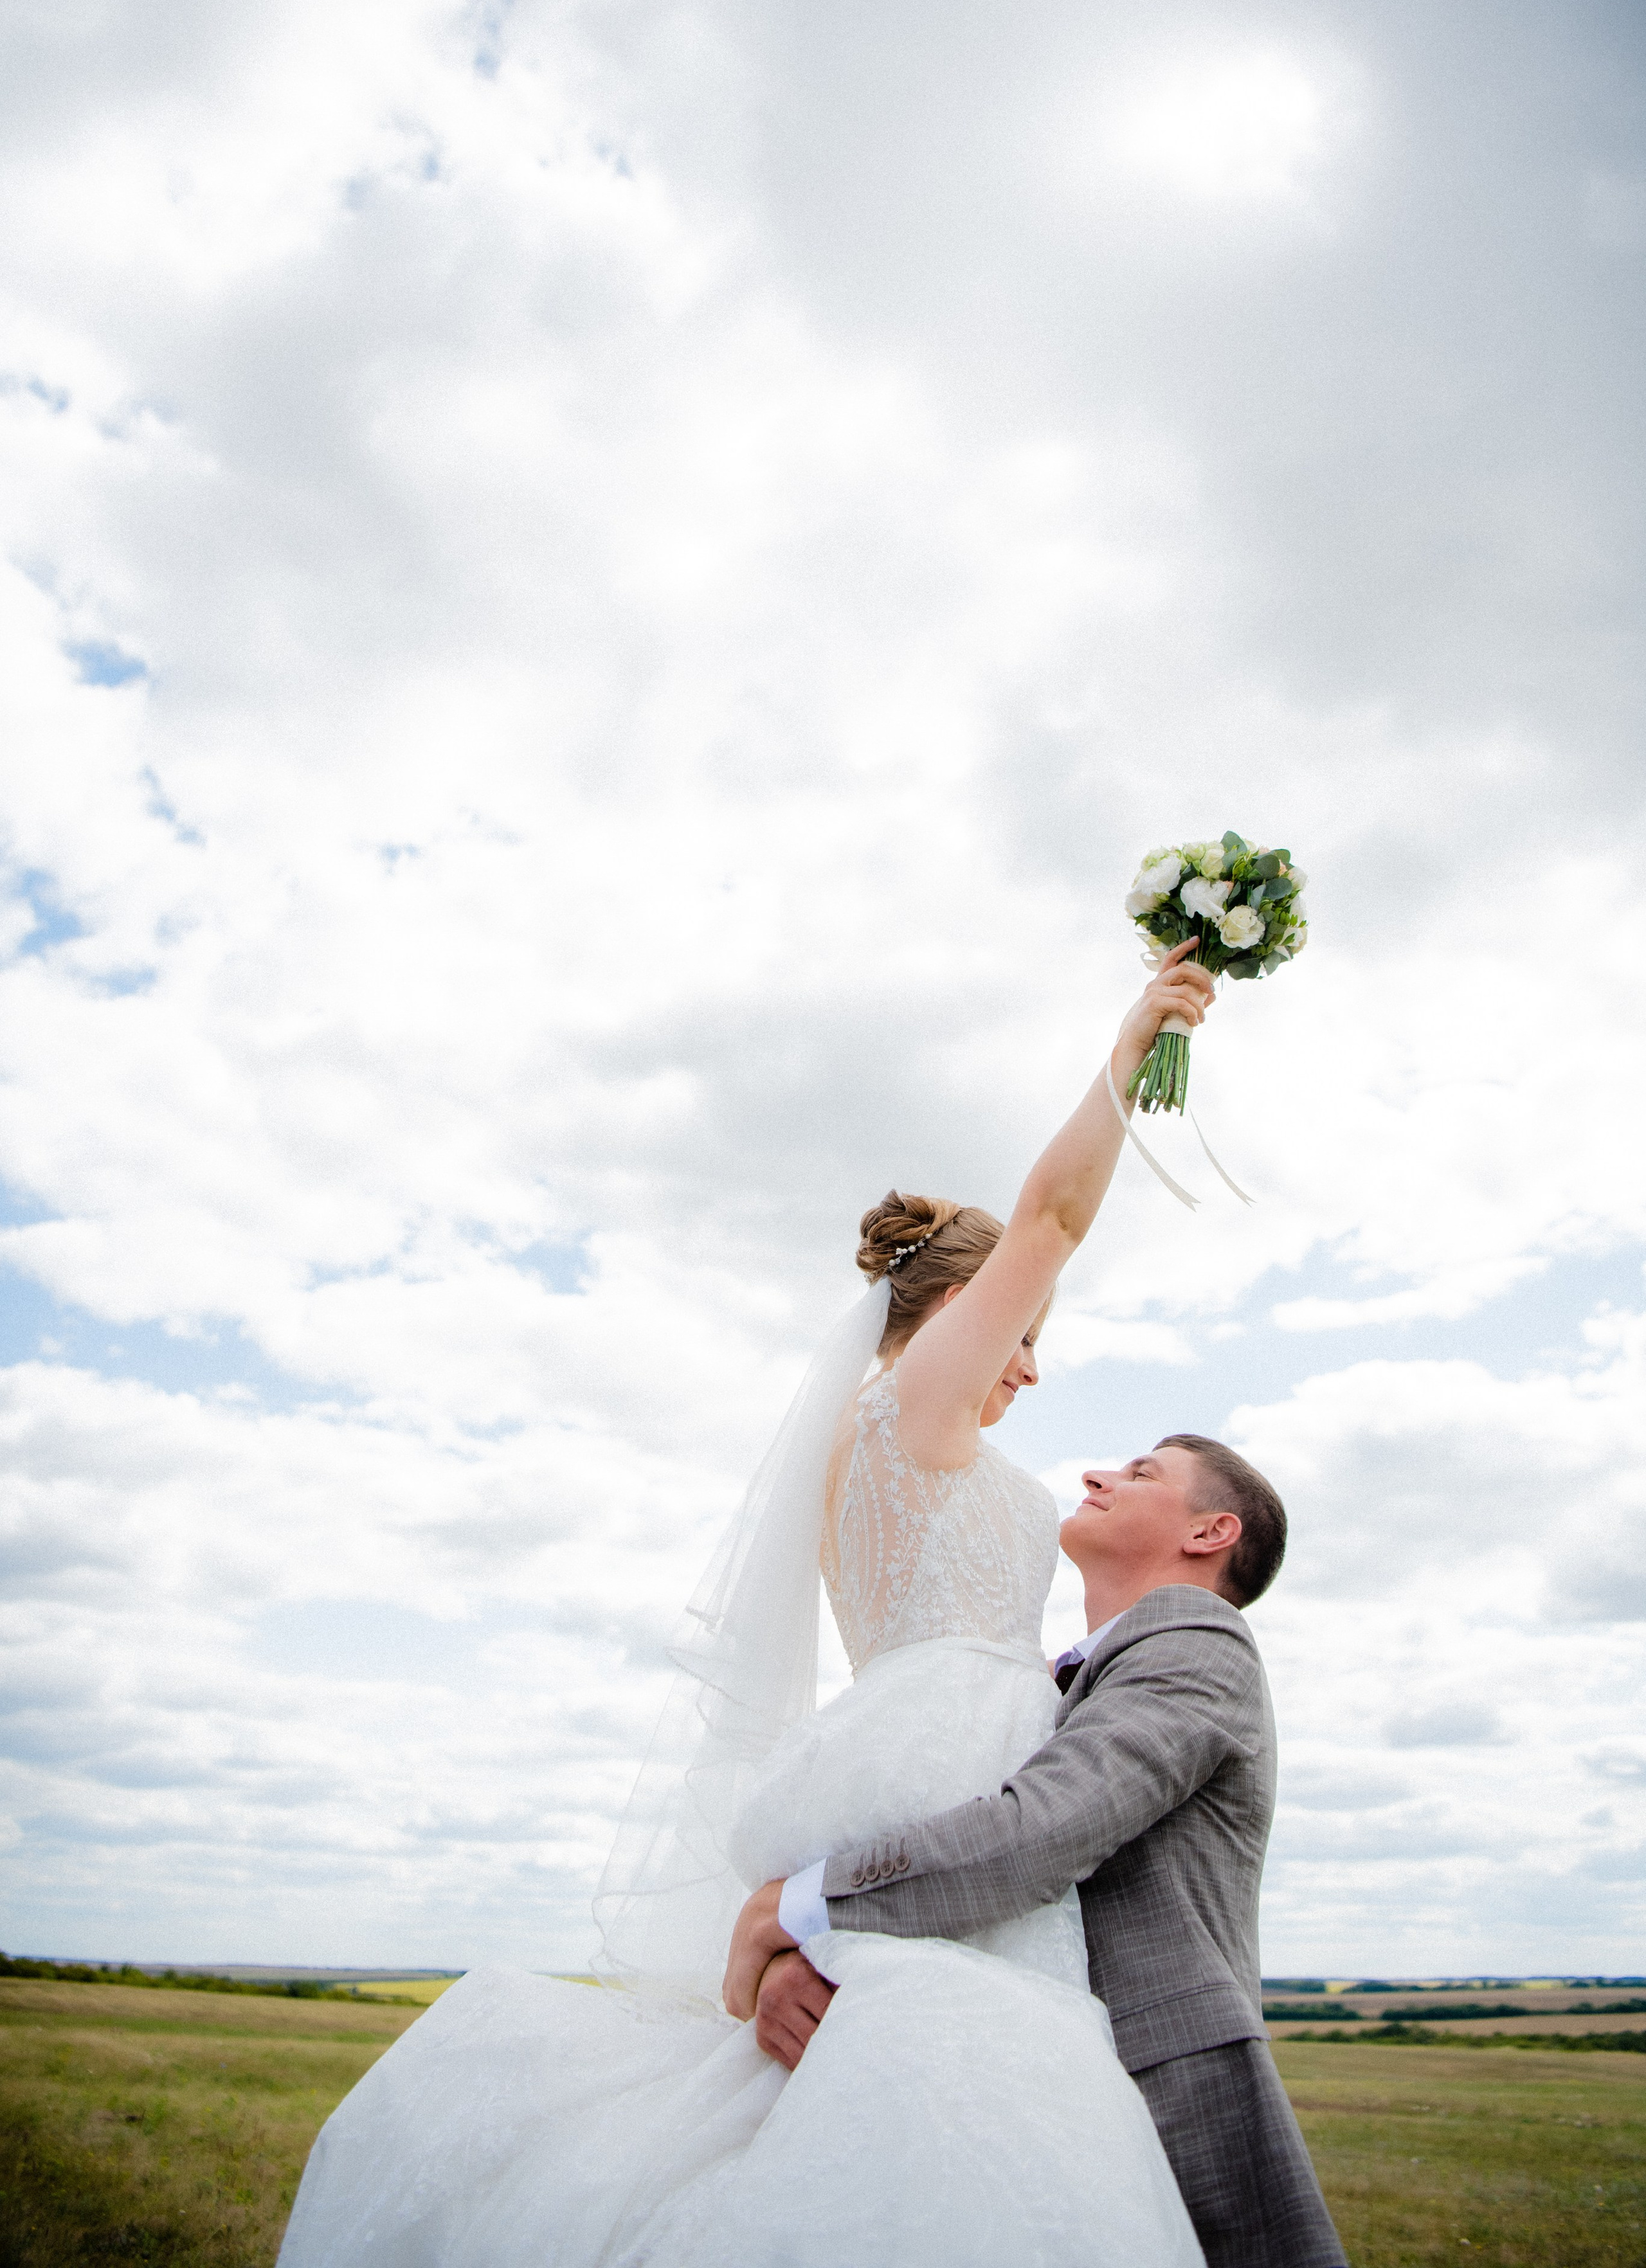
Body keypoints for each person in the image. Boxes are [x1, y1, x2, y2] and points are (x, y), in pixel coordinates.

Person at [278, 944, 1218, 2268]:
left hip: (939, 1755)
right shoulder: (916, 1414)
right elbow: (1052, 1219)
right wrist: (1132, 1047)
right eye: (1018, 1330)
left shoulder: (890, 1438)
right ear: (954, 1309)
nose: (1031, 1364)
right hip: (945, 1760)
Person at [725, 1435, 1350, 2268]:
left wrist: (797, 1908)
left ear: (1211, 1534)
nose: (1097, 1475)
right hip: (1027, 2075)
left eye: (1141, 1474)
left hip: (1157, 2074)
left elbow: (1038, 1836)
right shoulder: (1059, 1684)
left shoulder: (1195, 1634)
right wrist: (812, 1965)